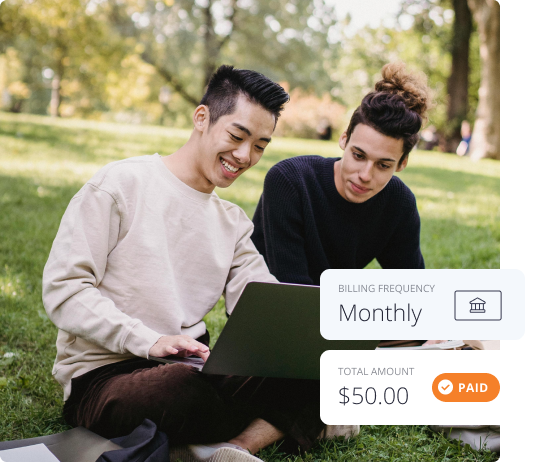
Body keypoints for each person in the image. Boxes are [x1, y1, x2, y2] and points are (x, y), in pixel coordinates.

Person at [42, 65, 324, 462]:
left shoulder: (232, 224)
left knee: (324, 371)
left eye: (260, 145)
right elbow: (64, 290)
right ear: (202, 117)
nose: (244, 156)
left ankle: (233, 449)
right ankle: (283, 422)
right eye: (237, 136)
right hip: (107, 376)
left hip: (197, 367)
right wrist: (149, 341)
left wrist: (314, 335)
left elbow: (261, 303)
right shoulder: (119, 185)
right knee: (178, 389)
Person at [252, 62, 431, 285]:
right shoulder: (290, 181)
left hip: (335, 310)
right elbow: (291, 289)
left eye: (383, 165)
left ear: (402, 164)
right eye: (358, 155)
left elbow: (413, 289)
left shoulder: (398, 202)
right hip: (270, 308)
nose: (365, 175)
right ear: (344, 139)